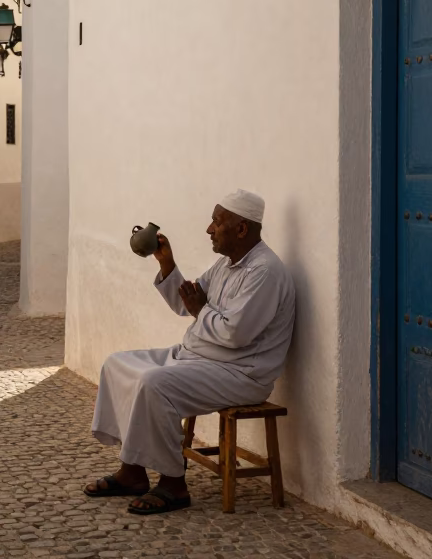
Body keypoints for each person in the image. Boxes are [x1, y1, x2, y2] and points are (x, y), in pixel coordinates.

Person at [84, 189, 296, 515]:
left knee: (155, 384)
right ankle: (133, 471)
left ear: (241, 229)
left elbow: (236, 334)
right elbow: (188, 302)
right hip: (198, 357)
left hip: (239, 372)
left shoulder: (265, 272)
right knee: (117, 365)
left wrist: (201, 311)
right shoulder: (227, 265)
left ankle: (173, 483)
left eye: (217, 222)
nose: (210, 229)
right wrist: (166, 263)